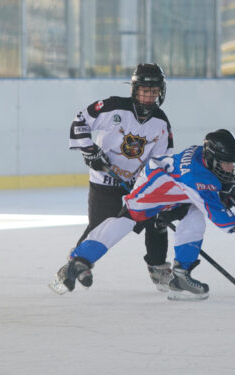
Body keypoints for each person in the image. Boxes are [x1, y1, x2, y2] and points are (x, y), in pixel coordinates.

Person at [50, 129, 235, 300]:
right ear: (213, 159)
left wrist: (223, 189)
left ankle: (180, 277)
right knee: (128, 220)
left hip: (168, 186)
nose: (230, 169)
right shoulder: (198, 178)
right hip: (152, 192)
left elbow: (207, 186)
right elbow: (222, 219)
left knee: (192, 213)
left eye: (232, 164)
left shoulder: (201, 154)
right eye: (226, 164)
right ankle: (78, 260)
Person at [66, 63, 175, 292]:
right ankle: (76, 263)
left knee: (157, 222)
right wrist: (90, 151)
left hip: (138, 187)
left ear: (160, 92)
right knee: (100, 228)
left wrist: (152, 186)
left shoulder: (161, 123)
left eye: (153, 92)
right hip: (104, 183)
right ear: (135, 90)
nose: (148, 96)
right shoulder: (114, 107)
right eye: (144, 91)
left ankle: (158, 267)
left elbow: (162, 162)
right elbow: (80, 121)